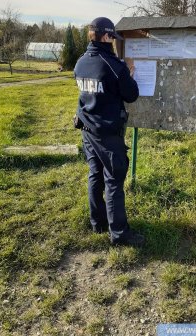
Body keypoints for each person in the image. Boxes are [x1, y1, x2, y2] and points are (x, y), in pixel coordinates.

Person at [74, 17, 145, 247]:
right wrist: (130, 72)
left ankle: (98, 223)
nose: (114, 42)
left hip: (87, 129)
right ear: (106, 36)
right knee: (114, 180)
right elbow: (131, 95)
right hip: (107, 134)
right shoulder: (115, 66)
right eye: (113, 37)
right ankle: (120, 234)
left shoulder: (81, 62)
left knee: (95, 174)